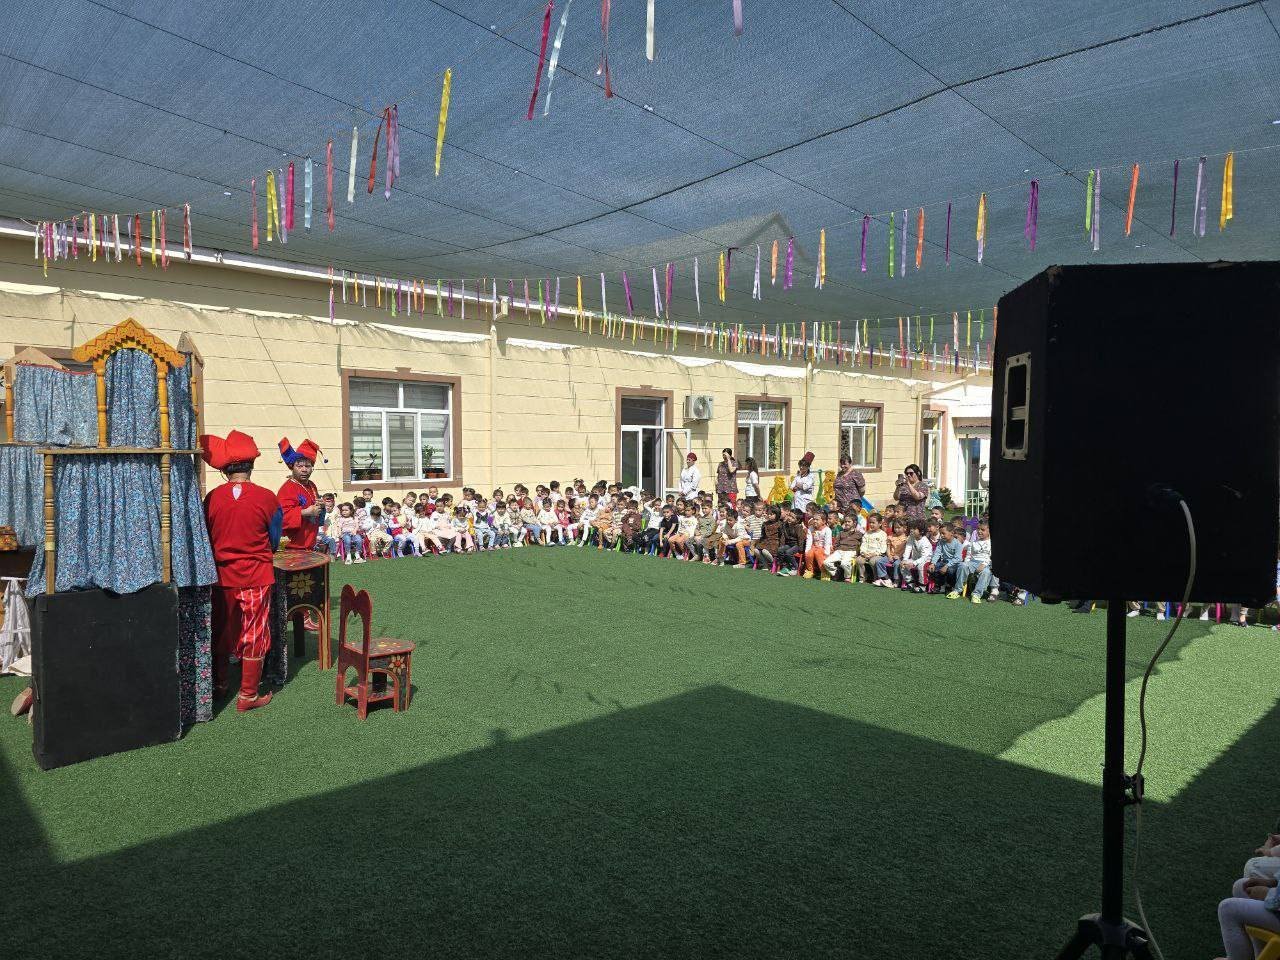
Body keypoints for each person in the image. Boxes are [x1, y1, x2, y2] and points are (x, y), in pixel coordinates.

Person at [200, 430, 282, 712]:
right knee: (255, 632)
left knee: (221, 629)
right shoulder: (267, 497)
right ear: (251, 466)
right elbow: (274, 539)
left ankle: (219, 685)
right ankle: (247, 695)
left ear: (225, 470)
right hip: (256, 575)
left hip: (221, 576)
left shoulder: (212, 498)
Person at [276, 437, 325, 551]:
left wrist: (321, 506)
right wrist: (305, 512)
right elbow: (280, 517)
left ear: (312, 468)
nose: (304, 470)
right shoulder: (287, 488)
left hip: (310, 545)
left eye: (307, 466)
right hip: (292, 548)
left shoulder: (312, 485)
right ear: (292, 467)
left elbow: (316, 514)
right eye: (299, 466)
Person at [823, 516, 864, 582]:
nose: (847, 523)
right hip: (839, 551)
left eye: (849, 522)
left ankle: (847, 577)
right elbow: (836, 543)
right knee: (826, 562)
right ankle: (836, 572)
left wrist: (858, 553)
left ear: (854, 523)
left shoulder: (859, 534)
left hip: (851, 551)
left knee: (844, 563)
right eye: (845, 522)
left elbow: (862, 545)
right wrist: (836, 550)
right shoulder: (841, 533)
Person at [854, 513, 887, 584]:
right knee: (859, 560)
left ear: (880, 523)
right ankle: (863, 577)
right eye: (870, 522)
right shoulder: (867, 533)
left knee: (873, 561)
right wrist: (863, 553)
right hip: (866, 553)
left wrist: (874, 554)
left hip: (877, 554)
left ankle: (876, 577)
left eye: (873, 523)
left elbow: (883, 548)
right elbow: (864, 544)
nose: (871, 524)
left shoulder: (883, 534)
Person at [801, 512, 832, 579]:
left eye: (817, 520)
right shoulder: (811, 528)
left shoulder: (827, 530)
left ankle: (824, 571)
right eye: (814, 519)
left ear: (824, 521)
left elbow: (827, 543)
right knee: (809, 554)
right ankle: (810, 571)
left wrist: (827, 554)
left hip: (823, 548)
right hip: (814, 547)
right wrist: (807, 550)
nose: (815, 521)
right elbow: (809, 540)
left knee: (818, 553)